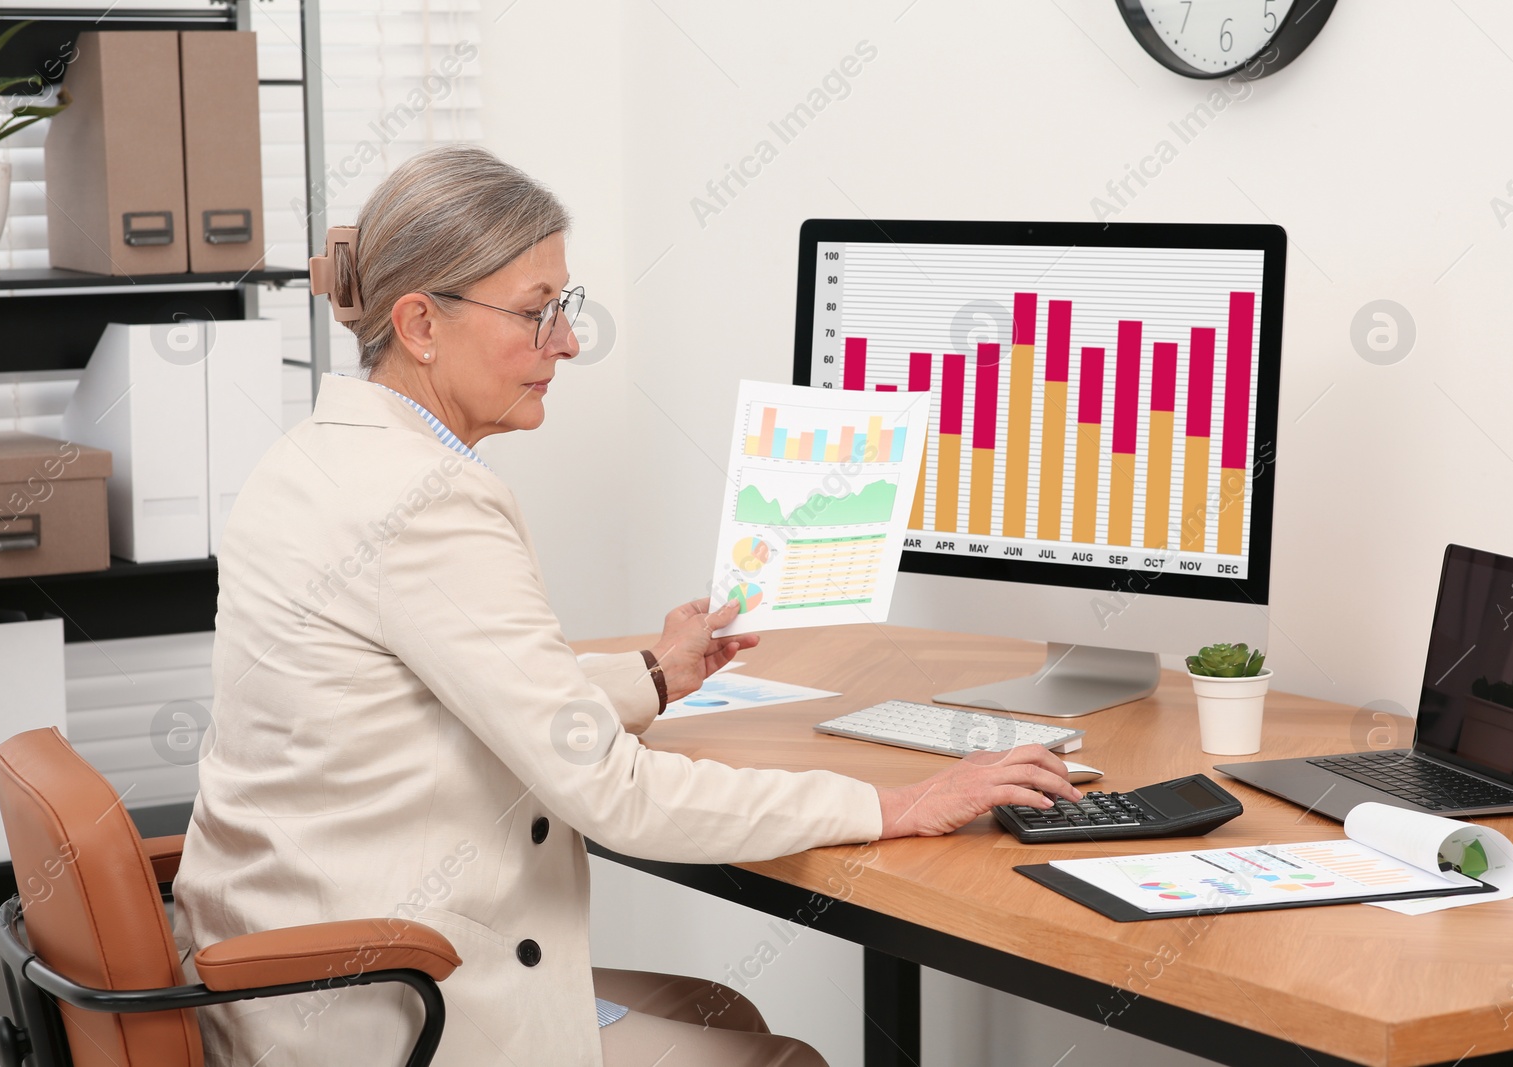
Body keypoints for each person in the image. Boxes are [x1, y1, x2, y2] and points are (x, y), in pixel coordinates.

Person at [171, 144, 1079, 1067]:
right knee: (784, 1061)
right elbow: (615, 793)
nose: (565, 342)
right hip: (381, 1005)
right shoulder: (428, 502)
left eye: (564, 308)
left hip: (282, 968)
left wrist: (653, 672)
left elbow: (443, 696)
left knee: (719, 1009)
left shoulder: (315, 456)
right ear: (419, 323)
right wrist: (898, 802)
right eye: (537, 314)